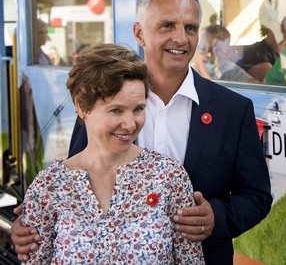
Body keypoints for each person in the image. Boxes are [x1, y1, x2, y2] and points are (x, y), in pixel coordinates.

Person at [12, 0, 272, 264]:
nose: (181, 38)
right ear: (139, 33)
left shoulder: (232, 110)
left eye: (190, 28)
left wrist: (215, 217)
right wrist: (33, 226)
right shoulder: (103, 102)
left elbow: (257, 196)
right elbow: (80, 176)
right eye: (167, 25)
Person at [21, 44, 205, 263]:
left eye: (138, 109)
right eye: (116, 110)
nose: (129, 124)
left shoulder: (169, 177)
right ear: (81, 106)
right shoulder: (49, 187)